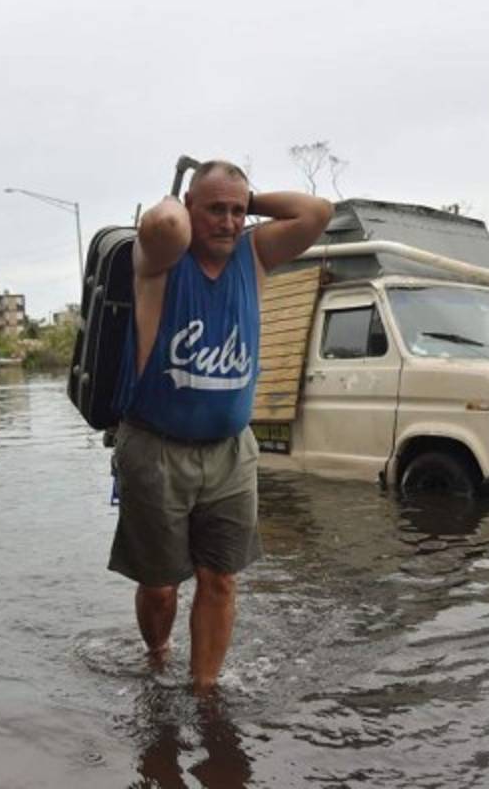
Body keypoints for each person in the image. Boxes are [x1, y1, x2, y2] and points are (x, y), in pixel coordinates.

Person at [111, 160, 333, 694]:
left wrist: (243, 202)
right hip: (156, 450)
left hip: (231, 452)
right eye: (215, 209)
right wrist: (183, 203)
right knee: (161, 587)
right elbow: (162, 226)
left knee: (220, 578)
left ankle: (204, 690)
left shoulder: (255, 254)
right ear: (189, 208)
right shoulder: (161, 260)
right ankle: (158, 653)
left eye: (238, 210)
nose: (229, 222)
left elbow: (317, 212)